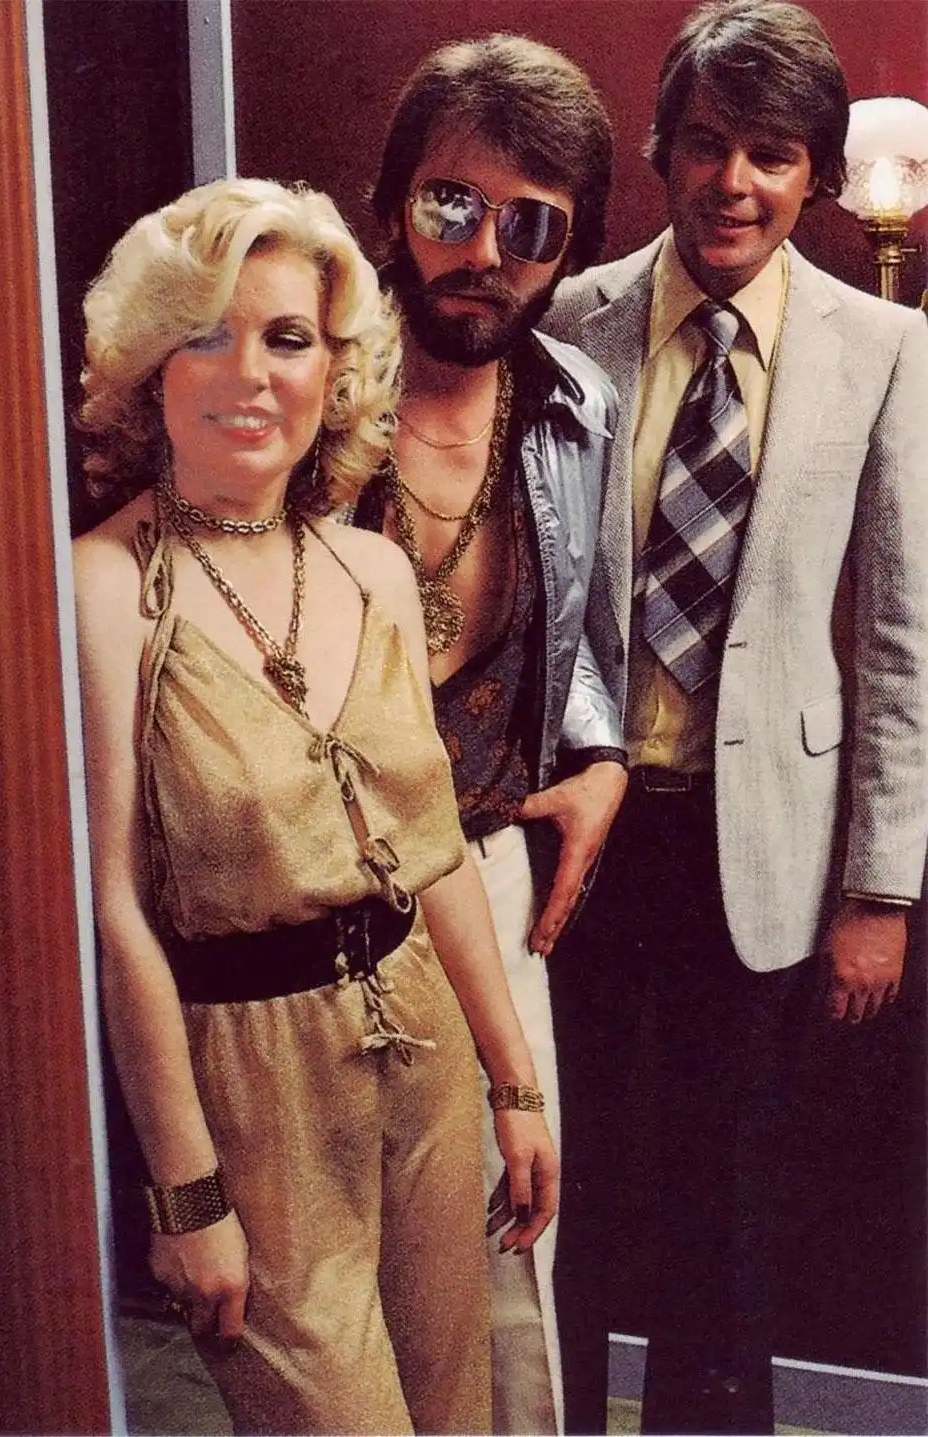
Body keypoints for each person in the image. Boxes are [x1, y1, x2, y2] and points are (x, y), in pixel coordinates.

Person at [74, 176, 560, 1437]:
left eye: (287, 337)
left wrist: (516, 1084)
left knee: (454, 1413)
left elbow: (433, 852)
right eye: (205, 333)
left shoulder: (373, 569)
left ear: (335, 370)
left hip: (424, 1040)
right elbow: (116, 915)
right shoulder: (102, 588)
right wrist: (185, 1192)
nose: (250, 373)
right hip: (251, 1075)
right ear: (148, 367)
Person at [542, 2, 928, 1432]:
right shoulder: (567, 317)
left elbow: (899, 635)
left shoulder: (881, 347)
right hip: (573, 837)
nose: (733, 183)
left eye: (771, 154)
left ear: (813, 175)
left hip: (761, 841)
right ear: (660, 148)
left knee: (729, 1209)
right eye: (706, 144)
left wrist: (881, 888)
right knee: (561, 1183)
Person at [354, 35, 627, 1436]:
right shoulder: (304, 395)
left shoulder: (578, 408)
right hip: (308, 895)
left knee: (512, 1258)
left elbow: (586, 637)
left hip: (489, 871)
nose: (482, 256)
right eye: (451, 206)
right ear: (390, 204)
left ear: (568, 251)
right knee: (329, 1275)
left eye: (532, 228)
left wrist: (601, 758)